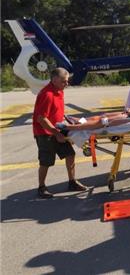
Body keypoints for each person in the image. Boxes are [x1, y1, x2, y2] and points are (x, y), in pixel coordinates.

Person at [33, 68, 88, 199]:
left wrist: (68, 120)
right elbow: (41, 119)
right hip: (44, 132)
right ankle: (41, 187)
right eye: (64, 81)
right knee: (46, 161)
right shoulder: (47, 94)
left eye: (67, 81)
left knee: (70, 154)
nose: (66, 84)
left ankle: (72, 182)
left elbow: (56, 110)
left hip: (57, 129)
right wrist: (56, 133)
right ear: (54, 80)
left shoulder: (59, 91)